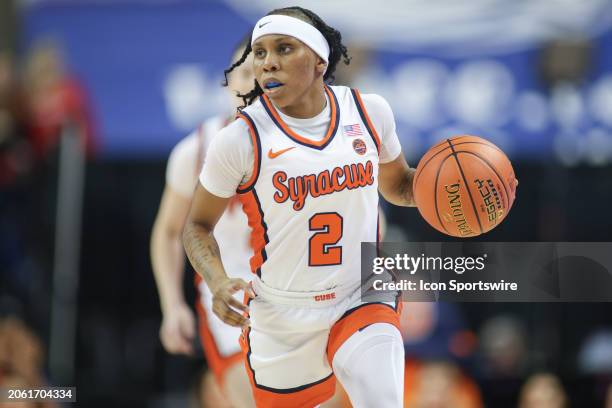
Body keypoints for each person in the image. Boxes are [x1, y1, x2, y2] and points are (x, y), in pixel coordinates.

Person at [183, 6, 417, 407]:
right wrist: (217, 280)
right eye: (259, 53)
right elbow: (196, 226)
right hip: (282, 312)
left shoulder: (369, 112)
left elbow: (400, 186)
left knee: (381, 396)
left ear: (320, 60)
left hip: (358, 291)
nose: (269, 61)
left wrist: (449, 198)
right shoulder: (238, 139)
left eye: (285, 48)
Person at [150, 37, 256, 407]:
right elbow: (167, 231)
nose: (252, 83)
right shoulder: (194, 151)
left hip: (305, 300)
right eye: (243, 73)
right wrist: (172, 304)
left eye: (262, 74)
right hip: (233, 302)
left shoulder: (316, 150)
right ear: (227, 81)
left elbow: (370, 223)